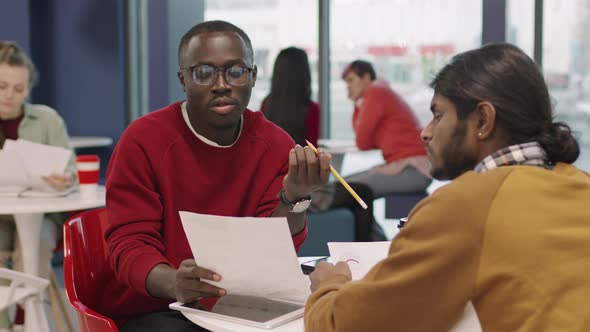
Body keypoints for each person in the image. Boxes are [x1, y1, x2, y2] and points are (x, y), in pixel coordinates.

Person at [304, 43, 590, 331]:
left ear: (482, 120)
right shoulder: (579, 184)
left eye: (438, 115)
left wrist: (328, 286)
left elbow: (343, 325)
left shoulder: (465, 204)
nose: (426, 132)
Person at [104, 20, 330, 331]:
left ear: (252, 76)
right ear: (183, 79)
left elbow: (275, 250)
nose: (221, 84)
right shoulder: (144, 140)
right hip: (160, 306)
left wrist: (296, 196)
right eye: (203, 73)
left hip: (245, 304)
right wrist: (173, 282)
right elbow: (129, 244)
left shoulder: (276, 144)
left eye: (235, 71)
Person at [0, 41, 77, 329]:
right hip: (1, 215)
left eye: (18, 89)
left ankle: (29, 314)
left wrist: (64, 179)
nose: (9, 95)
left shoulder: (46, 119)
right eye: (2, 86)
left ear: (29, 88)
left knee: (32, 252)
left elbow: (72, 174)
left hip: (42, 215)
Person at [339, 60, 431, 198]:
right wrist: (357, 103)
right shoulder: (381, 92)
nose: (348, 86)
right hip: (409, 166)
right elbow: (366, 143)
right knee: (347, 185)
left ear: (366, 78)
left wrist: (356, 104)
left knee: (350, 189)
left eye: (351, 80)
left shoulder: (375, 92)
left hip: (413, 168)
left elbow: (362, 142)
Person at [260, 46, 320, 147]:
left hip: (269, 162)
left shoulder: (266, 103)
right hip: (299, 162)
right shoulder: (312, 109)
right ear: (304, 74)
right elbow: (311, 149)